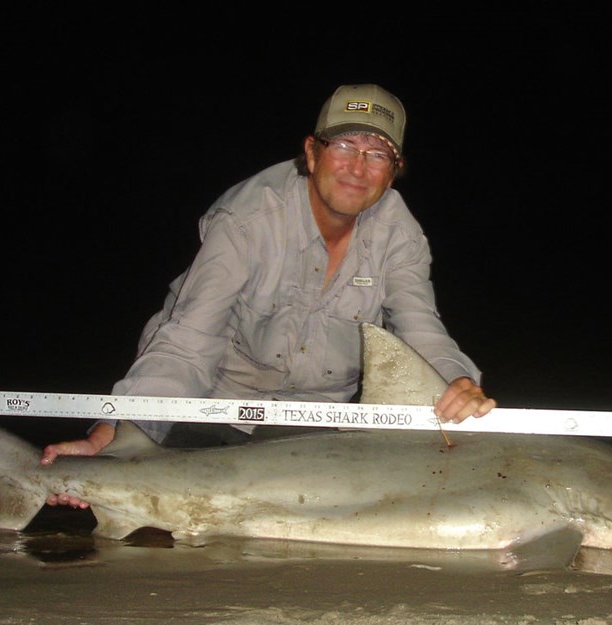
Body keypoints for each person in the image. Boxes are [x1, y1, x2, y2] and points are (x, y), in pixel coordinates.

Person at [42, 83, 496, 508]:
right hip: (214, 406)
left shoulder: (400, 236)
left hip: (315, 423)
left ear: (392, 175)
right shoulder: (245, 219)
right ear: (312, 153)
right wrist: (113, 432)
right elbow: (187, 343)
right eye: (343, 147)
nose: (358, 168)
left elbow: (421, 328)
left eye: (377, 155)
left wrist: (458, 383)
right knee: (152, 508)